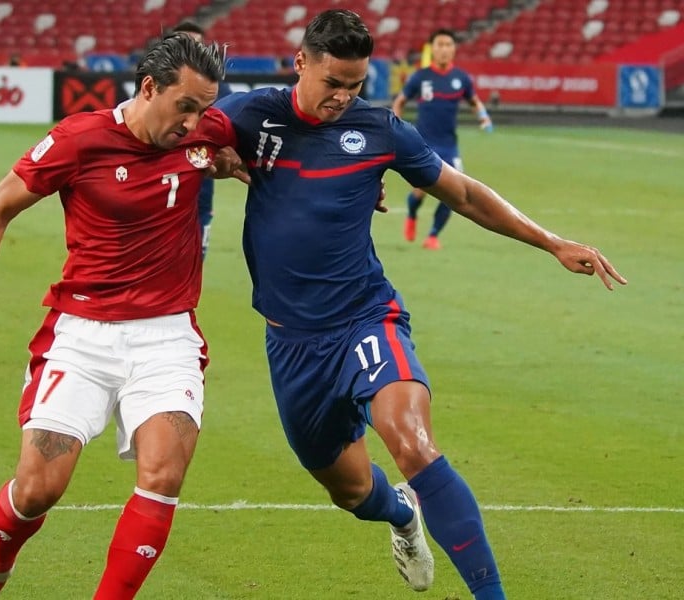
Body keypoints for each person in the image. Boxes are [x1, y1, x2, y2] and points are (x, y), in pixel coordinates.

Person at [215, 9, 626, 599]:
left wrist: (552, 241)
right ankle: (403, 518)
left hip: (364, 316)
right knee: (351, 491)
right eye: (333, 83)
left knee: (411, 441)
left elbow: (462, 192)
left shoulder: (379, 130)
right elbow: (177, 135)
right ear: (301, 63)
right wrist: (214, 158)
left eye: (355, 86)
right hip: (292, 342)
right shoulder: (251, 115)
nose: (343, 98)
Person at [0, 34, 245, 600]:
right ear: (150, 87)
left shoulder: (209, 133)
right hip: (81, 334)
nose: (194, 122)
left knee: (162, 477)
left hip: (167, 337)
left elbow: (286, 149)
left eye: (204, 109)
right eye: (184, 106)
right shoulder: (79, 140)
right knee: (37, 489)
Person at [392, 28, 493, 249]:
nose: (444, 50)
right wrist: (395, 126)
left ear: (454, 49)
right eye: (440, 45)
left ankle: (433, 235)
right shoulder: (421, 76)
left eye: (448, 45)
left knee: (455, 194)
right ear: (432, 49)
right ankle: (411, 214)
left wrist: (484, 117)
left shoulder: (461, 78)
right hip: (423, 144)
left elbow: (474, 100)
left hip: (449, 146)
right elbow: (400, 101)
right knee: (419, 192)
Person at [172, 20, 233, 260]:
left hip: (199, 195)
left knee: (193, 264)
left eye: (195, 45)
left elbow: (229, 125)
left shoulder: (215, 87)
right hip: (155, 193)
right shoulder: (150, 85)